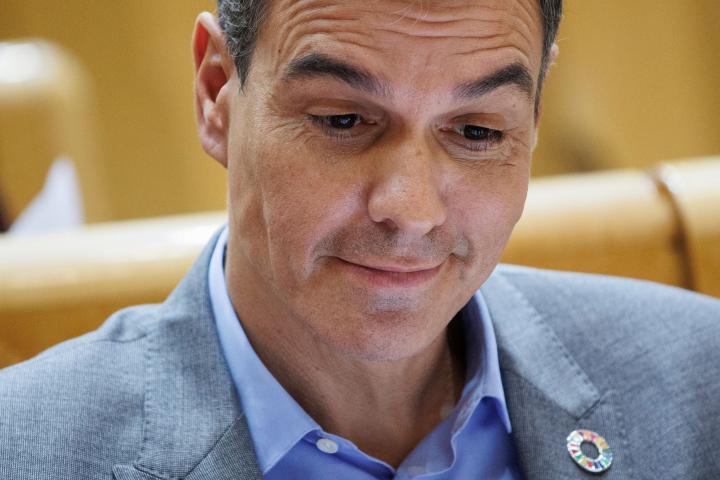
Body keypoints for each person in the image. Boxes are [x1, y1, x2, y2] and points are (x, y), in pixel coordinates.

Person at [1, 1, 719, 479]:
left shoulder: (700, 384)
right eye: (342, 121)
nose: (411, 210)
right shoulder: (23, 450)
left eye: (477, 131)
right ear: (218, 92)